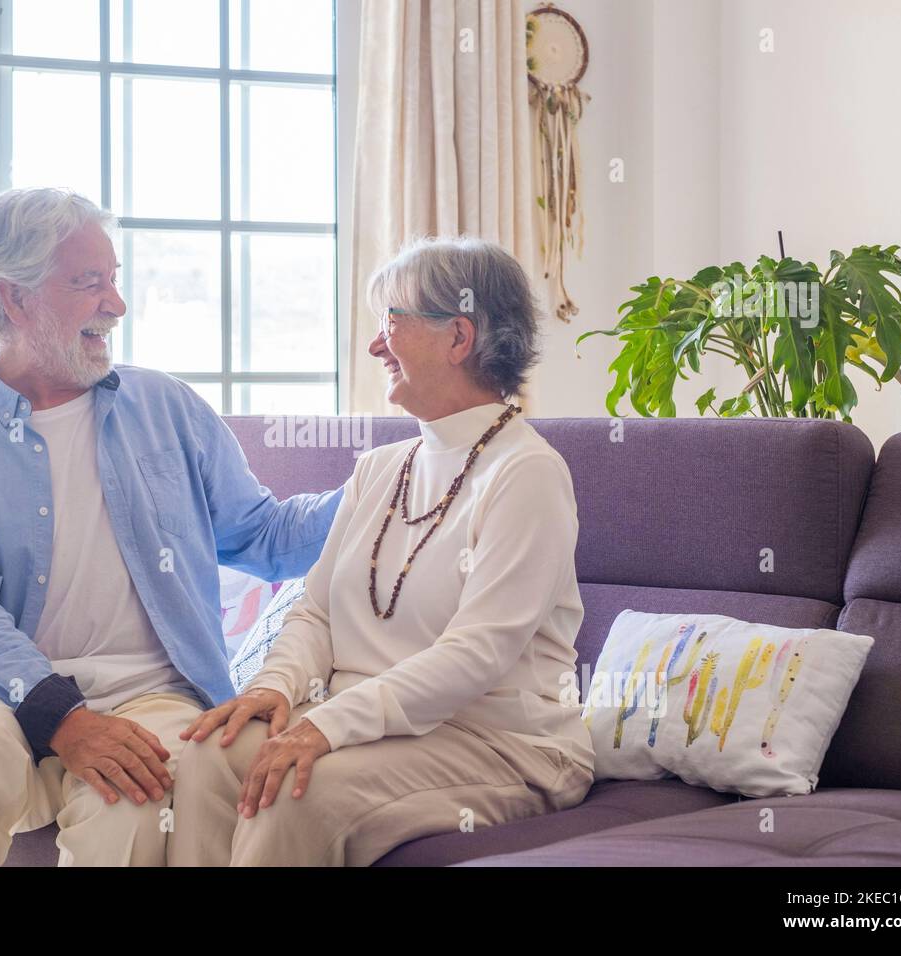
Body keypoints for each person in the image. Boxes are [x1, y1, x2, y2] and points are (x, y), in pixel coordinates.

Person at [0, 187, 340, 866]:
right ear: (13, 298)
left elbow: (265, 536)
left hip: (152, 695)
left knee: (135, 807)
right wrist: (62, 719)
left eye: (114, 279)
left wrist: (388, 484)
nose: (115, 304)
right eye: (87, 282)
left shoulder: (168, 408)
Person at [169, 236, 594, 866]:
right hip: (362, 722)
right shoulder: (380, 469)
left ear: (458, 337)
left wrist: (327, 726)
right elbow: (314, 612)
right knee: (204, 755)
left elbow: (476, 654)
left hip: (497, 740)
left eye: (391, 322)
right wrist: (275, 687)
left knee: (292, 790)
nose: (375, 345)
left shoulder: (527, 472)